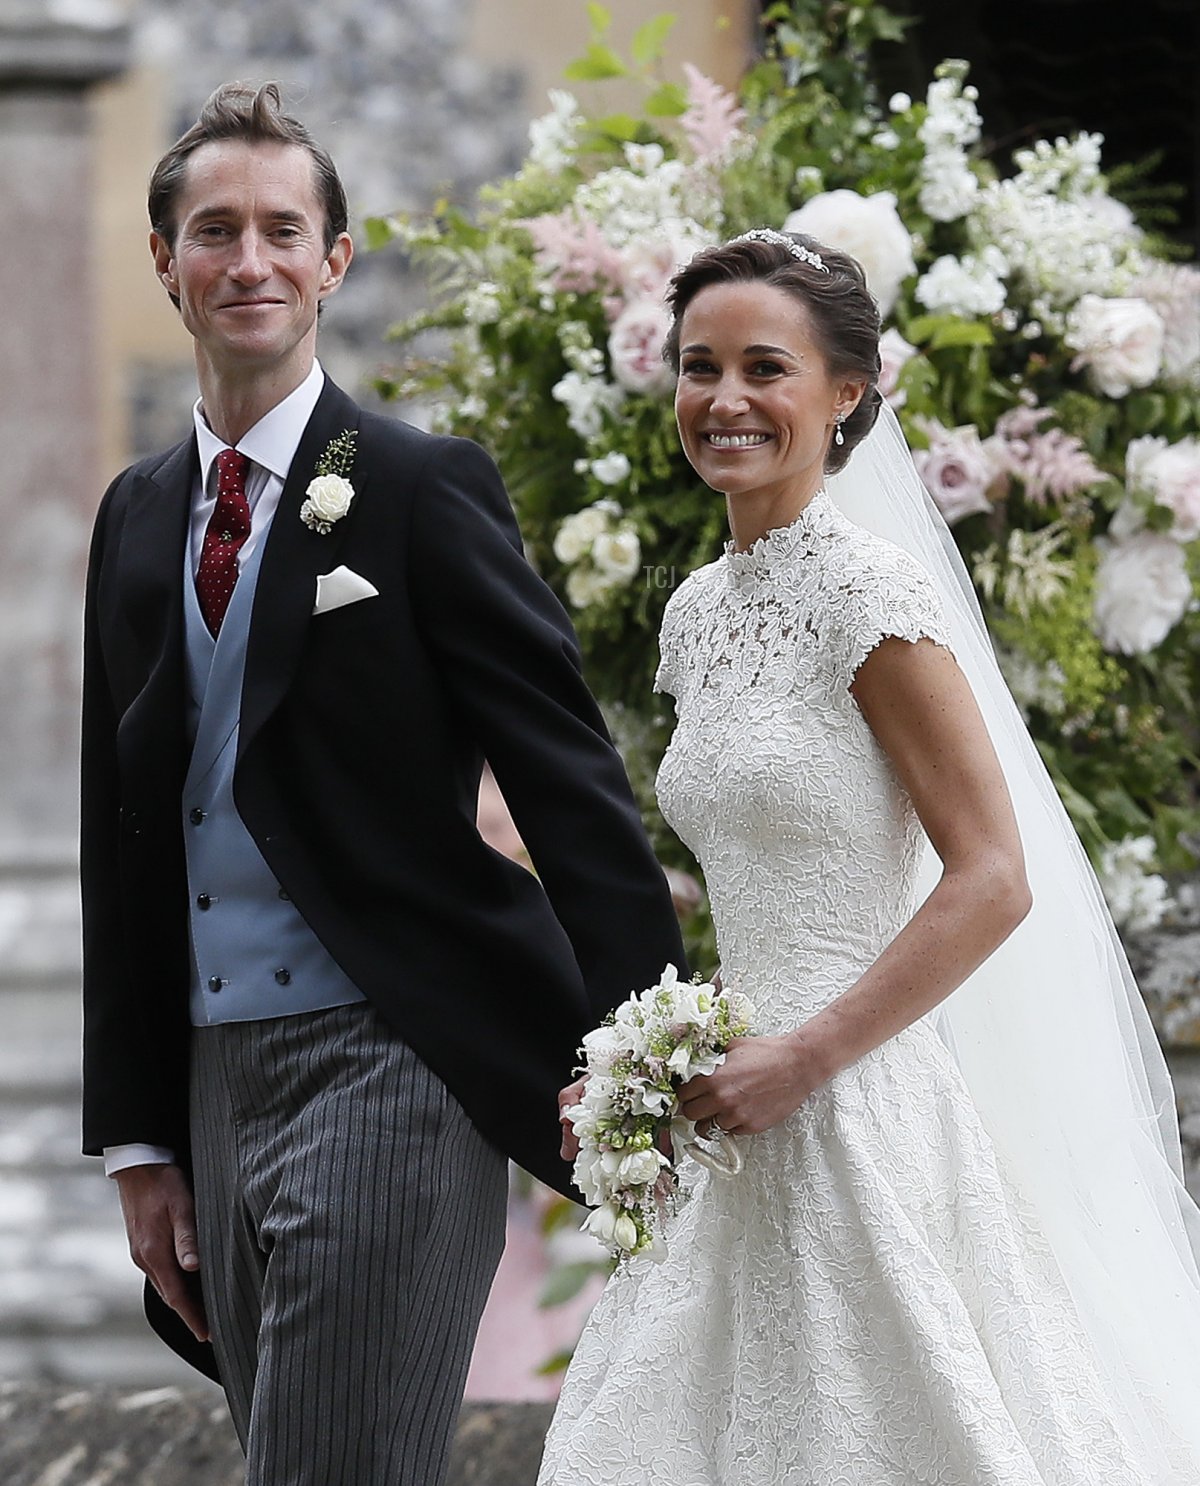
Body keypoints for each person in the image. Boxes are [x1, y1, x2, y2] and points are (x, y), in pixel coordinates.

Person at [79, 81, 686, 1486]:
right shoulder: (136, 514)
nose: (250, 261)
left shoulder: (412, 484)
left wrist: (651, 1057)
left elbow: (566, 775)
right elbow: (119, 840)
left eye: (283, 230)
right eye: (214, 230)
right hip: (211, 1079)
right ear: (163, 261)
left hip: (395, 1055)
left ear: (334, 261)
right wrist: (137, 1139)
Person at [540, 229, 1200, 1484]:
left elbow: (994, 873)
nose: (724, 399)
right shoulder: (694, 611)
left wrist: (808, 1055)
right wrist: (639, 1073)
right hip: (728, 1112)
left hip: (860, 1100)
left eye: (763, 368)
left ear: (846, 392)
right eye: (699, 367)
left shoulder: (871, 595)